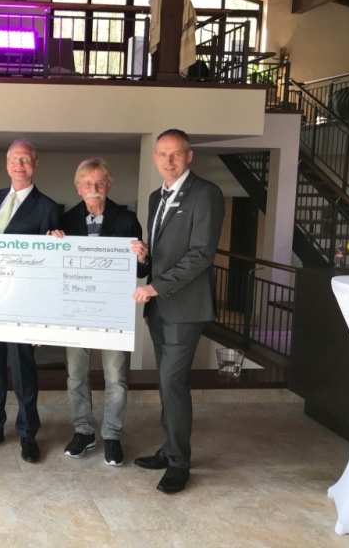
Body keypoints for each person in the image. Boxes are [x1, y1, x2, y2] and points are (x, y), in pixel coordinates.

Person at [131, 129, 225, 494]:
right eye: (162, 154)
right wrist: (145, 258)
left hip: (186, 307)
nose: (168, 160)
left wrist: (155, 287)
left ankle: (179, 464)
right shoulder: (156, 197)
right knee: (166, 382)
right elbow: (163, 251)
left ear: (189, 156)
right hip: (159, 306)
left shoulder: (206, 194)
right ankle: (170, 448)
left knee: (173, 382)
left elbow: (201, 255)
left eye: (175, 154)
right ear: (155, 158)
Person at [0, 140, 60, 464]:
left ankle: (28, 432)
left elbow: (50, 266)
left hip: (23, 304)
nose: (18, 164)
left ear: (35, 164)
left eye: (25, 159)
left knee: (23, 372)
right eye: (13, 159)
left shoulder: (48, 207)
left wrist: (43, 318)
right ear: (6, 164)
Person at [48, 157, 145, 466]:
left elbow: (142, 270)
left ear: (108, 186)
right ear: (78, 188)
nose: (94, 188)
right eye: (87, 183)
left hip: (112, 310)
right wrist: (52, 248)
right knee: (76, 375)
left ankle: (113, 435)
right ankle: (84, 431)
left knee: (116, 376)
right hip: (75, 310)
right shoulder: (64, 221)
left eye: (99, 183)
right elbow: (53, 270)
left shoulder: (127, 220)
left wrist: (142, 257)